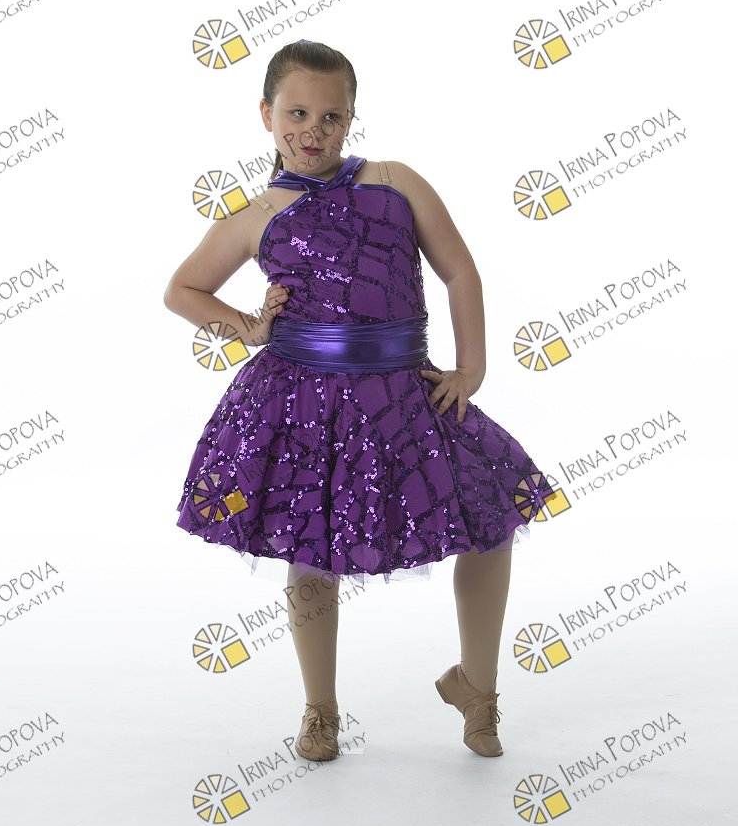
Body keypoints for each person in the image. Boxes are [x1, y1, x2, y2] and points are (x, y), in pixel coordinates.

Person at [164, 39, 555, 764]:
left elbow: (459, 271)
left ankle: (478, 687)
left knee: (490, 520)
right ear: (266, 114)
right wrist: (249, 327)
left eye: (331, 115)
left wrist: (471, 368)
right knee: (311, 548)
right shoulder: (257, 214)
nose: (313, 130)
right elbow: (182, 290)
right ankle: (320, 710)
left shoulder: (395, 182)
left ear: (351, 118)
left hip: (405, 391)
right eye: (297, 113)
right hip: (302, 400)